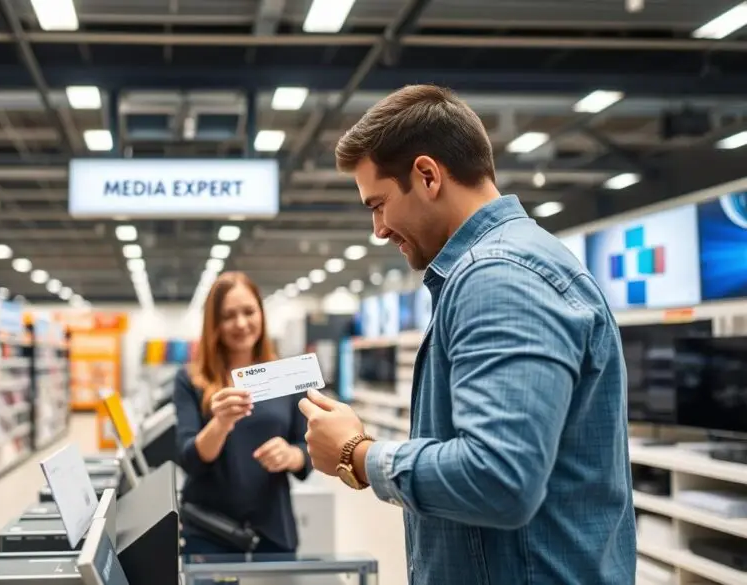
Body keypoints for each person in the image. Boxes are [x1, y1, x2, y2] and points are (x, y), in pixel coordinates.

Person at [298, 84, 636, 585]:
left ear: (428, 175)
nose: (378, 229)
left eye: (378, 204)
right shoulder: (500, 268)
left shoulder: (498, 277)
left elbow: (500, 478)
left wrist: (359, 454)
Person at [174, 271, 312, 556]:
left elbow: (307, 447)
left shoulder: (285, 374)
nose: (241, 323)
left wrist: (291, 455)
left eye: (249, 312)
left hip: (273, 527)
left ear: (261, 314)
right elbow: (190, 458)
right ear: (214, 323)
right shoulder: (191, 379)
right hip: (208, 529)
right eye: (228, 316)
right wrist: (221, 422)